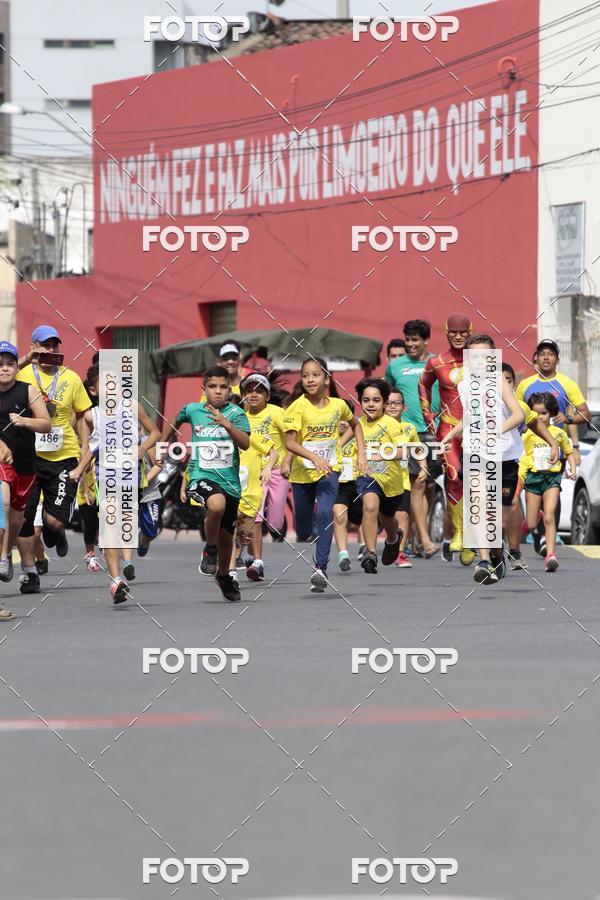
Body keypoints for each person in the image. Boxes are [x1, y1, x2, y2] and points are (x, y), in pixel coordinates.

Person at [442, 334, 560, 584]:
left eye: (485, 356)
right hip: (475, 453)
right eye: (474, 356)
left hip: (504, 456)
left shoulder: (498, 381)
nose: (479, 361)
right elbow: (470, 416)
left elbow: (519, 415)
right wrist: (451, 434)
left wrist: (496, 431)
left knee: (497, 514)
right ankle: (484, 560)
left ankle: (497, 556)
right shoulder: (465, 385)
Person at [162, 365, 250, 602]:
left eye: (223, 387)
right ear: (204, 389)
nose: (218, 391)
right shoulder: (193, 410)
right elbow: (175, 420)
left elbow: (245, 443)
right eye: (212, 386)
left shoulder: (236, 413)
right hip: (201, 476)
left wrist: (227, 424)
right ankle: (210, 549)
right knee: (216, 504)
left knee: (227, 537)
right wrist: (161, 446)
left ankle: (223, 576)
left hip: (230, 482)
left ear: (230, 389)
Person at [16, 325, 91, 593]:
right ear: (34, 346)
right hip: (29, 457)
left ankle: (56, 531)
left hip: (64, 457)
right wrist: (26, 358)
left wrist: (84, 447)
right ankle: (30, 574)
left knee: (54, 522)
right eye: (45, 345)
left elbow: (81, 414)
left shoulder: (71, 378)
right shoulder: (22, 374)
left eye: (54, 345)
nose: (50, 350)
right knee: (24, 517)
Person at [284, 357, 362, 593]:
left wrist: (362, 456)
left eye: (315, 375)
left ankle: (320, 568)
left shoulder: (338, 406)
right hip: (302, 474)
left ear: (326, 379)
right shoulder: (297, 407)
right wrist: (313, 457)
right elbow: (290, 442)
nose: (310, 380)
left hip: (330, 469)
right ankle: (310, 533)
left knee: (326, 512)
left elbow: (356, 424)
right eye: (305, 375)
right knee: (303, 530)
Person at [0, 341, 51, 607]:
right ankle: (2, 557)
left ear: (16, 367)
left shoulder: (27, 390)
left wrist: (24, 421)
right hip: (2, 461)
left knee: (18, 518)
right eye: (0, 364)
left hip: (26, 463)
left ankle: (6, 554)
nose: (5, 368)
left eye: (10, 364)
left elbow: (46, 423)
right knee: (4, 502)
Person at [386, 319, 442, 559]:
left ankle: (419, 534)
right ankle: (426, 540)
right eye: (407, 339)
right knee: (416, 483)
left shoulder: (437, 363)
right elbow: (387, 396)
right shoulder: (395, 366)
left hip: (434, 431)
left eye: (415, 340)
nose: (410, 344)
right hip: (408, 432)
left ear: (426, 340)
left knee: (429, 485)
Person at [418, 314, 472, 564]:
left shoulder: (481, 361)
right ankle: (459, 531)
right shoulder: (436, 362)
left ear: (470, 333)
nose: (459, 337)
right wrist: (426, 412)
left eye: (463, 332)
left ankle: (474, 534)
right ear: (447, 333)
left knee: (476, 481)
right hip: (448, 428)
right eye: (454, 332)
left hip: (476, 429)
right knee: (454, 476)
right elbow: (423, 383)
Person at [239, 373, 291, 581]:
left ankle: (252, 552)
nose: (254, 395)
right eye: (249, 391)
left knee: (275, 524)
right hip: (253, 473)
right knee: (255, 515)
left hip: (277, 471)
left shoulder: (277, 413)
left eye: (259, 391)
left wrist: (287, 462)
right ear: (243, 395)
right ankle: (257, 561)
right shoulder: (239, 417)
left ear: (268, 396)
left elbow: (293, 439)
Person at [519, 392, 576, 573]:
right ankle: (535, 517)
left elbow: (569, 452)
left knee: (550, 516)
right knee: (531, 524)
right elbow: (518, 452)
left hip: (551, 478)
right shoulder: (527, 433)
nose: (540, 417)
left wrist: (572, 468)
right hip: (533, 478)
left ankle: (551, 555)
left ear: (551, 413)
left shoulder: (559, 433)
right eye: (535, 413)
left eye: (543, 413)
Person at [354, 377, 405, 574]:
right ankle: (371, 552)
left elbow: (402, 451)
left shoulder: (391, 424)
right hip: (367, 477)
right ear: (360, 402)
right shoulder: (357, 425)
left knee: (387, 518)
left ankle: (393, 539)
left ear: (384, 403)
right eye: (366, 400)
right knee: (370, 505)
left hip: (391, 482)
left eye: (376, 400)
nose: (371, 404)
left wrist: (381, 454)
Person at [516, 339, 590, 465]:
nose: (546, 357)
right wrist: (523, 426)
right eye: (542, 354)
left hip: (557, 452)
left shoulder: (568, 384)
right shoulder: (524, 385)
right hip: (528, 453)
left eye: (550, 354)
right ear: (537, 358)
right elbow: (515, 413)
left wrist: (568, 419)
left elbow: (586, 414)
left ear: (557, 360)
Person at [385, 388, 427, 568]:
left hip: (401, 480)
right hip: (377, 480)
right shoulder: (375, 426)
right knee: (377, 514)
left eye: (397, 403)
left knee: (403, 515)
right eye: (389, 403)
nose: (393, 406)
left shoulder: (409, 428)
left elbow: (418, 448)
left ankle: (399, 554)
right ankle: (368, 548)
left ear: (404, 407)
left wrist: (423, 466)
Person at [333, 401, 363, 572]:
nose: (343, 423)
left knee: (363, 517)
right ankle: (343, 554)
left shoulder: (359, 430)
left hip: (358, 480)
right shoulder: (327, 437)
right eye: (339, 419)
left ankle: (364, 546)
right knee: (339, 516)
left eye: (346, 418)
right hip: (339, 483)